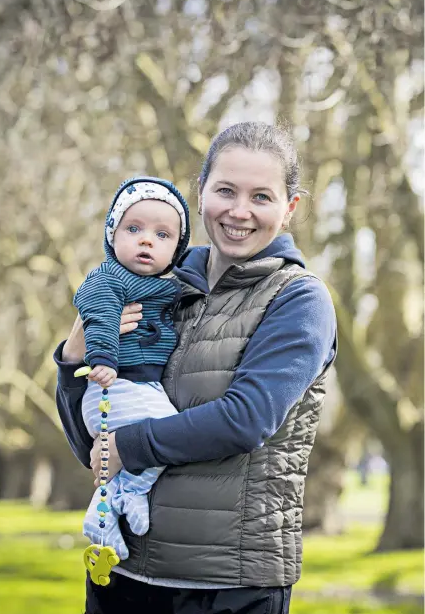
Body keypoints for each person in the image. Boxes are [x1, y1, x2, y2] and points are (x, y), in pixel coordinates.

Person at [54, 121, 337, 614]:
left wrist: (126, 446)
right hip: (119, 572)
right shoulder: (154, 286)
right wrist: (74, 357)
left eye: (262, 197)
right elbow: (93, 446)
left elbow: (244, 420)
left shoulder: (299, 300)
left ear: (289, 209)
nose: (239, 211)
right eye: (225, 190)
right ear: (200, 191)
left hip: (226, 587)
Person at [72, 176, 190, 560]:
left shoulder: (166, 285)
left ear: (176, 249)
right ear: (112, 235)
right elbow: (101, 314)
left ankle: (116, 505)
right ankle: (120, 504)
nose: (146, 240)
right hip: (114, 385)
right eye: (134, 229)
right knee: (164, 432)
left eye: (162, 235)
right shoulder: (109, 278)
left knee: (164, 433)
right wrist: (102, 359)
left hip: (140, 387)